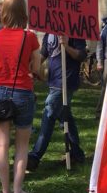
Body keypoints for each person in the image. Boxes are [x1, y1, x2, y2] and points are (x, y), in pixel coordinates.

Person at [0, 0, 41, 193]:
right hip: (23, 91)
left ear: (5, 12)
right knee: (22, 145)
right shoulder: (30, 37)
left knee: (1, 144)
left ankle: (4, 190)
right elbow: (36, 66)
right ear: (23, 12)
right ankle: (18, 191)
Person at [26, 33, 87, 172]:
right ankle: (77, 154)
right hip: (53, 80)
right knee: (65, 117)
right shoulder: (49, 32)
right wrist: (33, 67)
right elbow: (43, 54)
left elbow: (82, 55)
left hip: (66, 81)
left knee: (49, 113)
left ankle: (34, 157)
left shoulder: (74, 31)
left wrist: (67, 46)